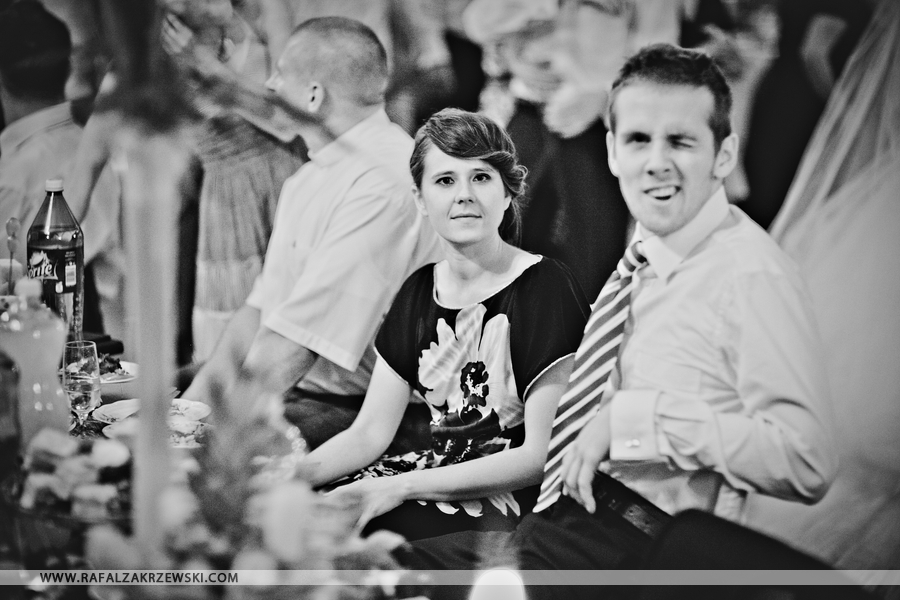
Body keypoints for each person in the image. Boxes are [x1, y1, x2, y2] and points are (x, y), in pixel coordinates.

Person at [505, 44, 838, 599]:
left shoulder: (751, 274)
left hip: (635, 549)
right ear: (612, 152)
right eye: (639, 140)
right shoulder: (647, 247)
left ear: (723, 155)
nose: (656, 161)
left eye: (680, 141)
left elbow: (806, 460)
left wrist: (641, 421)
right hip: (562, 513)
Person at [301, 108, 589, 545]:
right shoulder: (418, 290)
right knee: (298, 515)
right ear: (420, 199)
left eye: (481, 178)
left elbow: (538, 456)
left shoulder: (545, 286)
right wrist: (290, 480)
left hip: (512, 499)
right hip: (430, 475)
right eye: (445, 180)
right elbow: (369, 432)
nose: (464, 195)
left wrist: (395, 488)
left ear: (507, 193)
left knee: (345, 536)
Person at [182, 17, 442, 452]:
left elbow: (297, 346)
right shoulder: (308, 177)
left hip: (380, 416)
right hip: (306, 388)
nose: (270, 83)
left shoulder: (385, 181)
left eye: (281, 73)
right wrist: (189, 411)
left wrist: (209, 438)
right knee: (152, 401)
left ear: (313, 95)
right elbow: (257, 312)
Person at [0, 0, 117, 334]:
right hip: (89, 323)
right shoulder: (88, 144)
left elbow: (11, 282)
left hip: (27, 334)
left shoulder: (13, 178)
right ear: (69, 68)